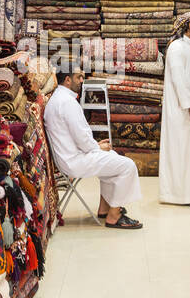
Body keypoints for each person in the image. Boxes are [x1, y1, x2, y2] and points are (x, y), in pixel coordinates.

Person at [43, 64, 143, 229]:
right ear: (67, 80)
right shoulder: (67, 102)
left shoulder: (58, 98)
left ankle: (105, 209)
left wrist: (96, 146)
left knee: (113, 159)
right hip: (74, 161)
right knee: (127, 166)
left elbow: (74, 137)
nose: (82, 80)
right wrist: (98, 148)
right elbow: (82, 138)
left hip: (69, 157)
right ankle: (114, 216)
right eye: (78, 77)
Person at [159, 11, 190, 205]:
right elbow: (179, 80)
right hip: (182, 112)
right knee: (182, 151)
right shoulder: (177, 48)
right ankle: (180, 195)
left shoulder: (187, 48)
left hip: (188, 110)